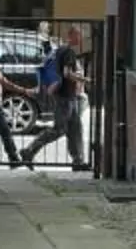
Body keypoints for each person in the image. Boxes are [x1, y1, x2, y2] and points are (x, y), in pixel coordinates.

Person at [22, 29, 89, 171]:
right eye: (79, 36)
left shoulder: (59, 50)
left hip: (68, 96)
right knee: (59, 129)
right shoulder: (68, 52)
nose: (81, 39)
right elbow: (67, 73)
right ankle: (29, 151)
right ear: (71, 36)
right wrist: (84, 79)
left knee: (75, 128)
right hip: (65, 96)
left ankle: (78, 161)